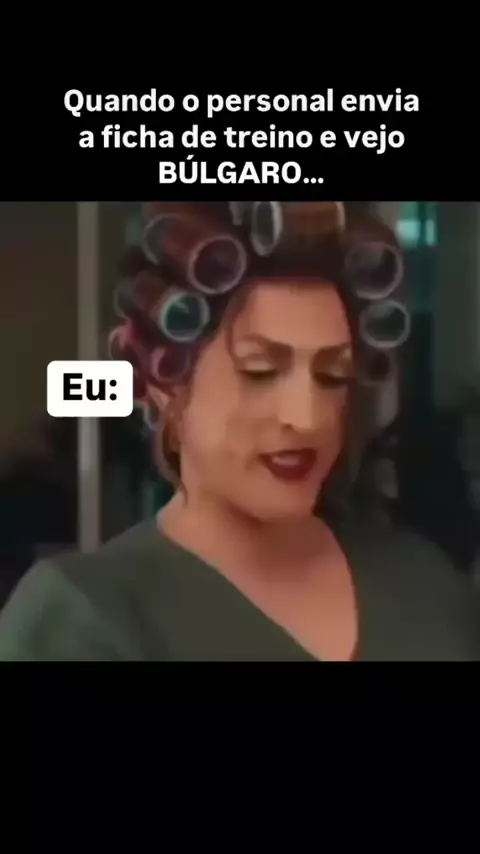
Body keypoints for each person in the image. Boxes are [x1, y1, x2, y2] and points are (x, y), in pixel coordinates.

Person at [1, 201, 479, 661]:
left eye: (332, 375)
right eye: (260, 371)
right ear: (166, 382)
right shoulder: (83, 618)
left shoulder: (423, 581)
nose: (307, 417)